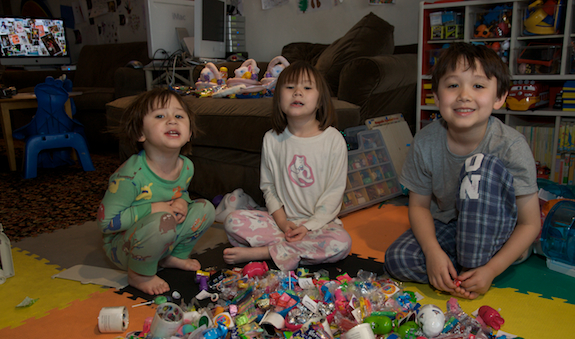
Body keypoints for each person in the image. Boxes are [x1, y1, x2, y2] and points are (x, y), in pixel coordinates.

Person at [384, 42, 540, 299]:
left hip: (497, 230)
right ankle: (462, 271)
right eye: (453, 85)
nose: (464, 95)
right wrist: (433, 253)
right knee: (397, 259)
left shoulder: (510, 145)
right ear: (437, 97)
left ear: (499, 97)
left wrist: (492, 269)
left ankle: (483, 265)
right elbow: (419, 206)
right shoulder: (425, 141)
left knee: (479, 166)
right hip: (449, 224)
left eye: (478, 86)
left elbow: (530, 222)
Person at [223, 61, 352, 271]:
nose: (297, 92)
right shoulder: (272, 139)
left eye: (307, 88)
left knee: (341, 243)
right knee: (232, 222)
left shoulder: (333, 139)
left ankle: (266, 253)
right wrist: (283, 224)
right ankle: (291, 250)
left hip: (319, 226)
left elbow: (334, 193)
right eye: (290, 87)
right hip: (281, 223)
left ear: (320, 101)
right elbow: (268, 187)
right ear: (278, 98)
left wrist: (308, 226)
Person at [97, 88, 215, 295]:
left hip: (164, 234)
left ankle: (173, 257)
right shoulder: (130, 176)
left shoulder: (186, 166)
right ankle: (139, 274)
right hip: (124, 247)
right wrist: (153, 208)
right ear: (140, 133)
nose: (172, 121)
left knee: (206, 208)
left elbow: (179, 192)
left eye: (179, 116)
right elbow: (106, 223)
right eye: (160, 116)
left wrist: (182, 201)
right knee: (163, 220)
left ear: (189, 134)